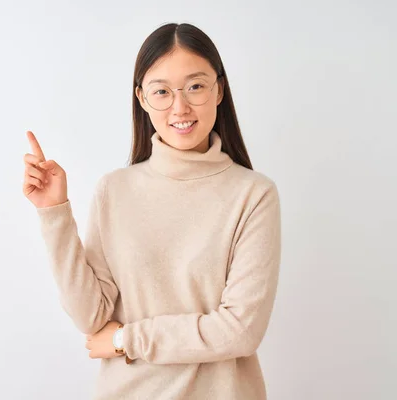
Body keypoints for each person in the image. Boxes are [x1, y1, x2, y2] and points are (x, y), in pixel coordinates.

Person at [23, 22, 281, 400]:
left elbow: (241, 330)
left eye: (195, 86)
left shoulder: (253, 195)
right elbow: (91, 318)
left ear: (219, 90)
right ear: (142, 99)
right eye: (162, 91)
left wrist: (127, 339)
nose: (180, 106)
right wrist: (54, 213)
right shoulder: (115, 189)